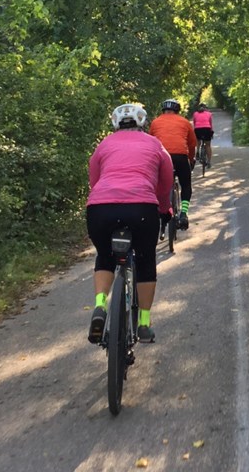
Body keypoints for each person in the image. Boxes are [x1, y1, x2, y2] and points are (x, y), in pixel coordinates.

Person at [86, 103, 174, 344]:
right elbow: (166, 180)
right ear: (142, 123)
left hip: (100, 208)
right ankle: (144, 324)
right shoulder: (154, 144)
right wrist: (165, 207)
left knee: (105, 256)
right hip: (141, 209)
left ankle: (100, 306)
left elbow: (94, 179)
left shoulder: (104, 144)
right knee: (145, 259)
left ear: (115, 124)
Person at [149, 98, 197, 230]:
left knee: (157, 184)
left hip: (161, 156)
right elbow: (192, 144)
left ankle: (158, 210)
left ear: (163, 110)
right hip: (180, 157)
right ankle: (184, 213)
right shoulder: (185, 122)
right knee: (186, 185)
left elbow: (150, 143)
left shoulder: (155, 122)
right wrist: (191, 159)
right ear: (177, 110)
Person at [191, 102, 214, 167]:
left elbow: (194, 124)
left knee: (198, 142)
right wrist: (211, 132)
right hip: (207, 129)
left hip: (198, 129)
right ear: (206, 108)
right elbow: (211, 124)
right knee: (208, 145)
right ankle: (209, 162)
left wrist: (194, 132)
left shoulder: (195, 114)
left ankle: (197, 152)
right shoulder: (209, 114)